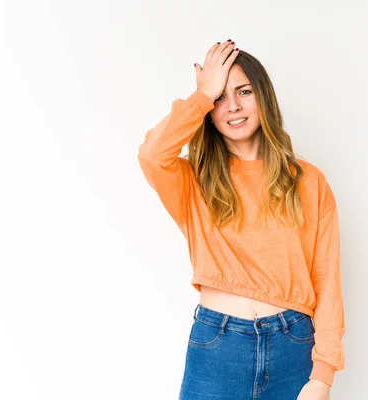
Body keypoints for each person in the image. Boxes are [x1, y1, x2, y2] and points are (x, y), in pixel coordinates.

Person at [138, 39, 346, 399]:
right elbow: (152, 154)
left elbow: (326, 281)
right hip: (219, 347)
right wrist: (202, 95)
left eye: (244, 91)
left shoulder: (308, 180)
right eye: (220, 97)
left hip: (293, 344)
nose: (232, 106)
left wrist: (323, 376)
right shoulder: (193, 181)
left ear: (263, 97)